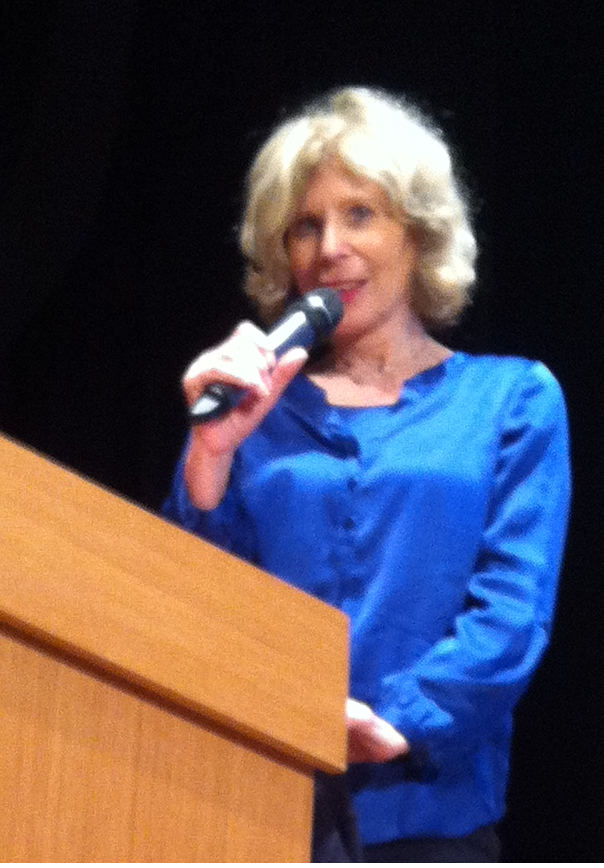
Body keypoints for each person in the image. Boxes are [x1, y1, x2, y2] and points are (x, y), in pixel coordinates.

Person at [162, 86, 571, 861]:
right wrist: (208, 453)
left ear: (417, 232)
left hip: (427, 819)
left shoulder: (510, 399)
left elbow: (511, 613)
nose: (329, 248)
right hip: (256, 805)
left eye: (359, 215)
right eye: (304, 226)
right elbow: (189, 602)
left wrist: (396, 722)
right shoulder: (257, 408)